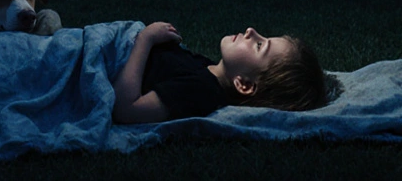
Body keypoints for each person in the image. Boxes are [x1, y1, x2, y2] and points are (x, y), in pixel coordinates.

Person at [111, 21, 333, 124]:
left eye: (259, 46)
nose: (251, 30)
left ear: (244, 84)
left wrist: (145, 39)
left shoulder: (200, 91)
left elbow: (126, 110)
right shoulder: (206, 69)